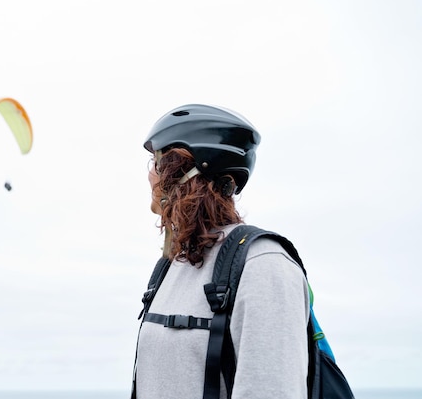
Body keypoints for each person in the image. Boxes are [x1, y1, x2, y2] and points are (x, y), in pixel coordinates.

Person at [133, 104, 310, 399]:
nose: (150, 177)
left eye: (155, 163)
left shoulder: (263, 264)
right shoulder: (170, 267)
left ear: (179, 171)